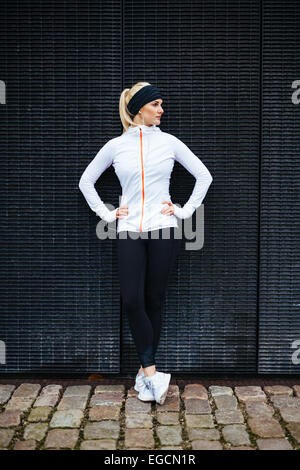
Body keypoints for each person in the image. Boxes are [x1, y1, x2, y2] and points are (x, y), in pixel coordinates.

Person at [78, 82, 213, 405]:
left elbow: (204, 176)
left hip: (165, 228)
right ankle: (152, 374)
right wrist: (107, 214)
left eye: (160, 104)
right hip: (128, 230)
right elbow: (85, 181)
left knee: (154, 299)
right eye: (156, 104)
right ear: (140, 108)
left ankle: (144, 371)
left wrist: (184, 210)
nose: (161, 110)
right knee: (131, 300)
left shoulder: (169, 142)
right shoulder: (115, 146)